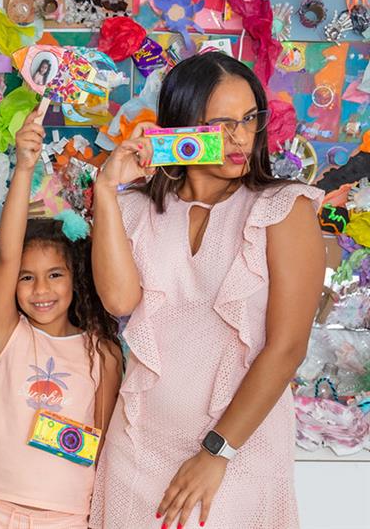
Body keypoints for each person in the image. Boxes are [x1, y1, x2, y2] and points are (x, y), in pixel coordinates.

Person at [89, 52, 325, 529]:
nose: (241, 138)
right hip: (139, 446)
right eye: (221, 124)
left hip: (238, 449)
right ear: (181, 128)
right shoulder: (135, 209)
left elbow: (287, 348)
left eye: (249, 119)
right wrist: (106, 188)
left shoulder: (284, 208)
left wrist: (217, 452)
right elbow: (119, 302)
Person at [0, 111, 123, 528]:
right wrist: (24, 167)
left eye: (54, 276)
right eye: (26, 279)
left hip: (64, 516)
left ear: (75, 280)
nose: (41, 290)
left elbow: (103, 446)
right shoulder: (6, 336)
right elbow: (6, 254)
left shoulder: (101, 352)